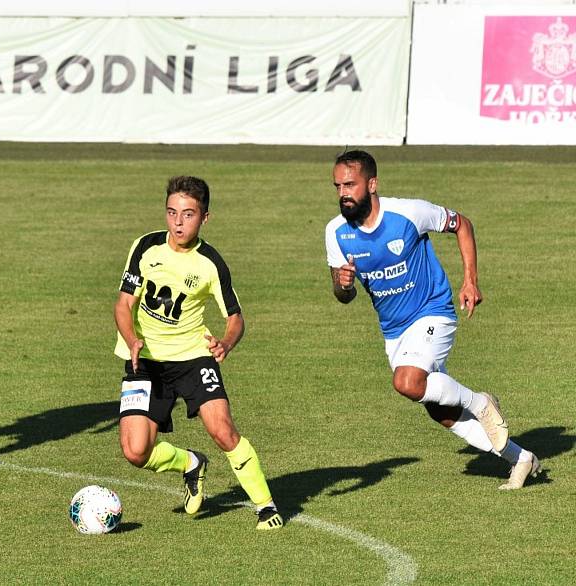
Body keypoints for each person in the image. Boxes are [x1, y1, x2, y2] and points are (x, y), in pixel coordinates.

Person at [324, 150, 540, 489]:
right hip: (394, 331)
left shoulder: (408, 213)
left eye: (350, 185)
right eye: (338, 186)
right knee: (438, 409)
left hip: (433, 310)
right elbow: (343, 294)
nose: (343, 194)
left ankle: (481, 403)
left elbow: (461, 224)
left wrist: (470, 280)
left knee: (407, 383)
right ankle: (520, 458)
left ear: (372, 183)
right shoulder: (335, 232)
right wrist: (342, 285)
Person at [114, 176, 283, 529]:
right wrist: (131, 338)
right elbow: (123, 304)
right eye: (172, 212)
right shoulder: (144, 247)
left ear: (205, 218)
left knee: (222, 430)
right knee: (135, 451)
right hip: (143, 360)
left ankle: (266, 506)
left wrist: (226, 342)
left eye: (188, 214)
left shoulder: (210, 264)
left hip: (193, 358)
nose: (178, 222)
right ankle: (191, 464)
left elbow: (235, 317)